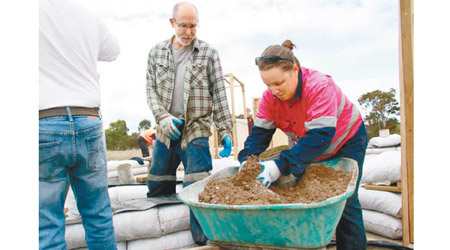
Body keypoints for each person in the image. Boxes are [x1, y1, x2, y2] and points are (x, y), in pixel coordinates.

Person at [238, 40, 368, 250]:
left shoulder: (318, 86)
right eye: (267, 85)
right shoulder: (269, 98)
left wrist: (280, 164)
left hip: (346, 140)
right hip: (309, 144)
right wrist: (247, 160)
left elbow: (320, 137)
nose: (273, 90)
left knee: (345, 202)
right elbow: (259, 136)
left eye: (278, 83)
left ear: (295, 70)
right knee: (301, 195)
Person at [145, 1, 233, 245]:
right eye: (184, 25)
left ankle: (202, 242)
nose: (189, 32)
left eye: (193, 26)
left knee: (199, 188)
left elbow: (219, 93)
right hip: (166, 131)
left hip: (196, 128)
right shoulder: (156, 53)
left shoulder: (208, 53)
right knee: (158, 184)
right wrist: (162, 117)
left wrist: (225, 129)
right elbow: (150, 90)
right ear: (172, 23)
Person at [39, 0, 120, 249]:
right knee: (98, 214)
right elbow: (113, 51)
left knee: (47, 221)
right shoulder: (87, 14)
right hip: (88, 120)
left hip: (44, 121)